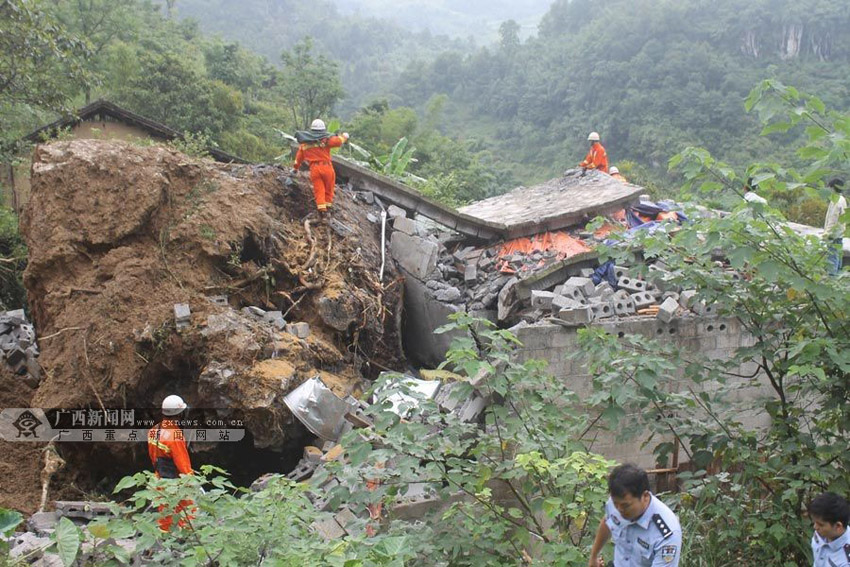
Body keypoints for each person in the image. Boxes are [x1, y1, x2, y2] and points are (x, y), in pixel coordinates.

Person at [588, 464, 681, 567]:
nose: (619, 510)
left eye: (625, 506)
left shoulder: (666, 534)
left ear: (645, 496)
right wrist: (594, 556)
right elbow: (607, 522)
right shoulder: (618, 502)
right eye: (615, 504)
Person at [148, 394, 194, 531]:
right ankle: (188, 542)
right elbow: (183, 466)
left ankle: (166, 544)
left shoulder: (154, 430)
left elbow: (153, 456)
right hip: (176, 484)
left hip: (159, 480)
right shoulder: (175, 436)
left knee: (165, 516)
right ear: (179, 414)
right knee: (188, 514)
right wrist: (192, 482)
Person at [293, 119, 349, 219]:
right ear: (323, 130)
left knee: (319, 190)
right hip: (326, 167)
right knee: (329, 188)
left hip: (314, 169)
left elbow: (298, 159)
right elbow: (339, 141)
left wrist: (295, 169)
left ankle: (321, 211)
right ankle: (327, 209)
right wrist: (345, 136)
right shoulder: (326, 140)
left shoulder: (304, 144)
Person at [808, 492, 850, 567]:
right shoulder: (820, 534)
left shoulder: (846, 560)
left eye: (820, 524)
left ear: (838, 526)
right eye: (814, 522)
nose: (815, 527)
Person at [823, 178, 846, 275]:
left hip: (833, 234)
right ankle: (838, 277)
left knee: (832, 258)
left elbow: (833, 219)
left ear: (833, 188)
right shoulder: (842, 199)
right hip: (839, 233)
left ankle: (832, 279)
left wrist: (826, 233)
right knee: (838, 256)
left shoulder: (836, 201)